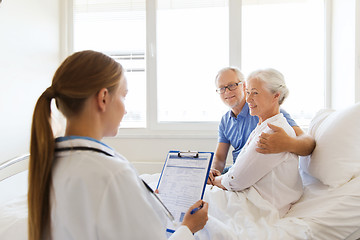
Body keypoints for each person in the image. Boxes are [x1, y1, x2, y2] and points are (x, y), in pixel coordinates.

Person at [28, 50, 208, 240]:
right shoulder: (113, 173)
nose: (125, 109)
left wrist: (138, 197)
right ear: (103, 98)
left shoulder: (48, 162)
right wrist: (188, 228)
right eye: (124, 96)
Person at [211, 68, 303, 216]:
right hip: (239, 174)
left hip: (252, 191)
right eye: (249, 93)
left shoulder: (274, 130)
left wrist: (215, 182)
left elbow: (236, 180)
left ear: (276, 96)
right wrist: (213, 175)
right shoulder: (260, 123)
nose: (248, 99)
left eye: (255, 93)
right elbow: (222, 159)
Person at [208, 67, 315, 182]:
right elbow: (219, 158)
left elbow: (308, 143)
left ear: (244, 86)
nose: (227, 92)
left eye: (232, 85)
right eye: (222, 88)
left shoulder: (267, 111)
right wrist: (212, 171)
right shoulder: (225, 121)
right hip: (237, 171)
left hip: (258, 175)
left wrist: (288, 143)